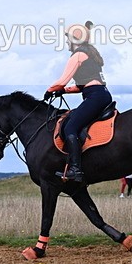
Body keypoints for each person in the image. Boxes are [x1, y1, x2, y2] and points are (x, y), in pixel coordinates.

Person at [44, 21, 111, 183]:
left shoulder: (78, 55)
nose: (67, 42)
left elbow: (63, 80)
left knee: (70, 127)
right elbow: (83, 85)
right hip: (100, 94)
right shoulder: (89, 54)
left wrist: (50, 90)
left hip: (95, 96)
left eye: (68, 38)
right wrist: (64, 91)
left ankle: (75, 169)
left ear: (75, 39)